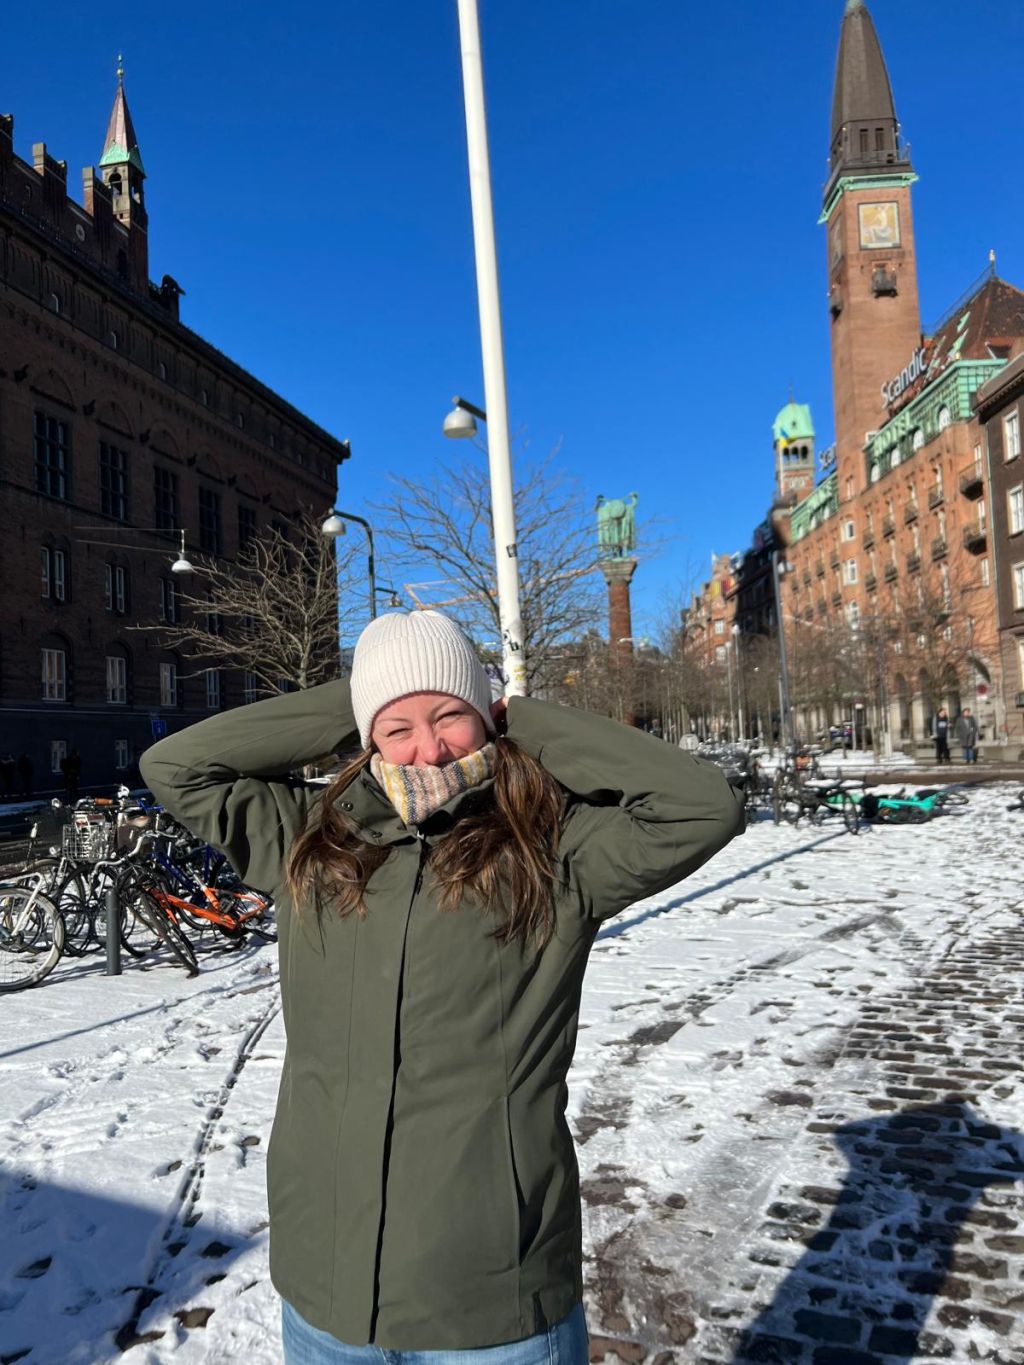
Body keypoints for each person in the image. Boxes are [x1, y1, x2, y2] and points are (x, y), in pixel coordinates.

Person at [141, 610, 744, 1364]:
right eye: (397, 729)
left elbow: (703, 806)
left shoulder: (554, 848)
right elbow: (176, 765)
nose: (427, 749)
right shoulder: (307, 841)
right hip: (328, 1293)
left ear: (486, 716)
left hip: (492, 1301)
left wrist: (518, 717)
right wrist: (355, 702)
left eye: (450, 716)